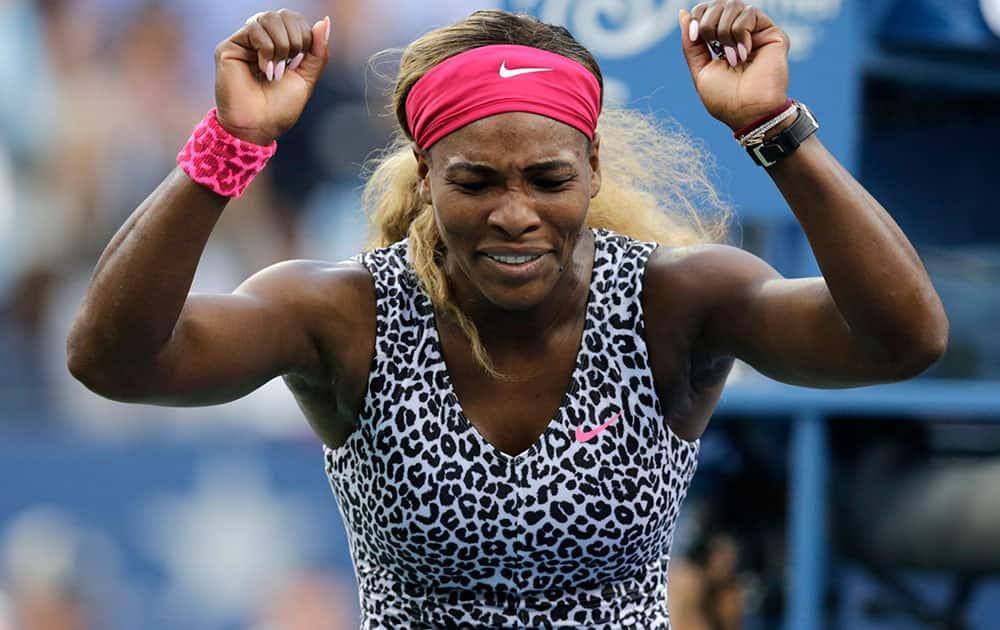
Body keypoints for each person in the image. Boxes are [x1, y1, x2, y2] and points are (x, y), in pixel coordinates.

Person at [66, 2, 948, 627]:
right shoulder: (340, 311)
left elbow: (904, 338)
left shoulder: (675, 300)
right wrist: (233, 145)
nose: (515, 213)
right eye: (476, 181)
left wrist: (774, 126)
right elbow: (116, 362)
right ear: (425, 173)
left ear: (593, 167)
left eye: (550, 180)